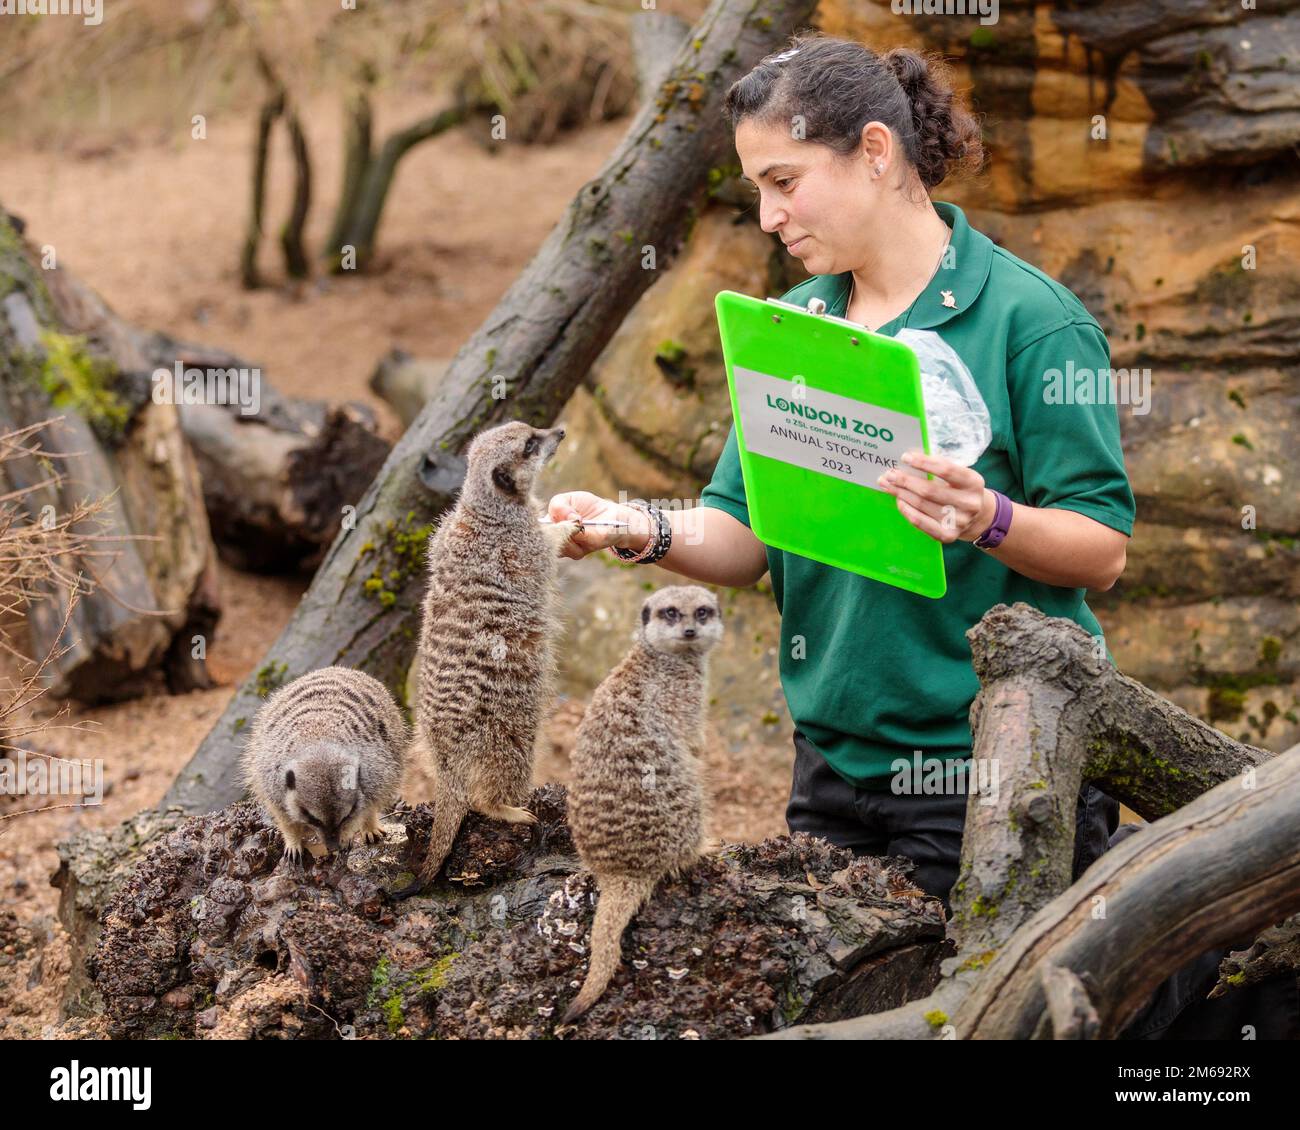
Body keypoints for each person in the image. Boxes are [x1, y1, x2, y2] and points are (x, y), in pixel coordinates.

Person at [547, 33, 1296, 1039]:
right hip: (831, 773)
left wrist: (985, 516)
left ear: (874, 152)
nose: (766, 216)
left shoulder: (1034, 323)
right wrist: (633, 528)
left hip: (991, 776)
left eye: (783, 181)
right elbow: (741, 532)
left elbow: (1101, 546)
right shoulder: (793, 327)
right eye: (754, 189)